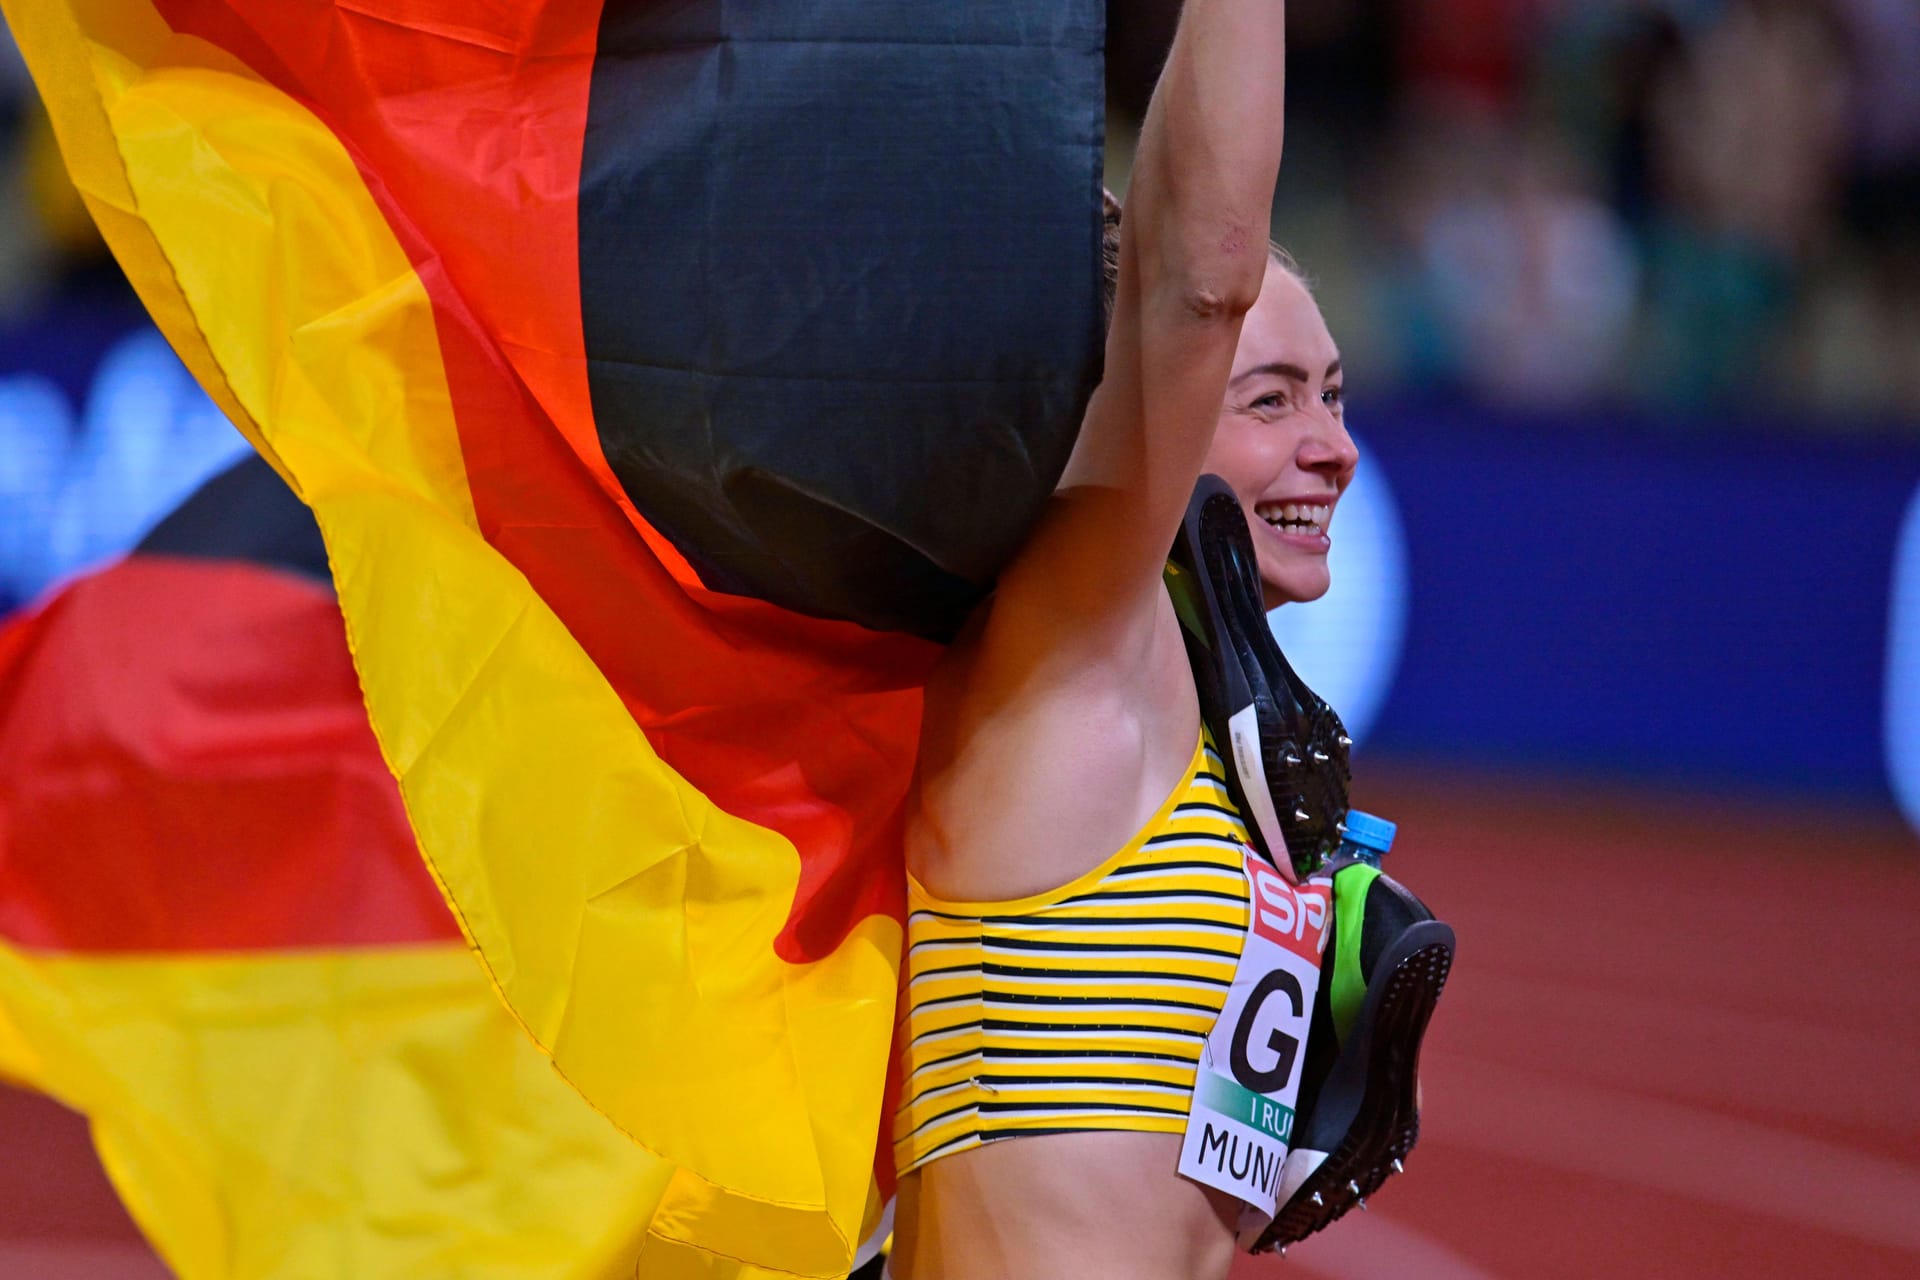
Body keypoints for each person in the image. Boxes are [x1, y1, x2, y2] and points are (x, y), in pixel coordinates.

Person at [886, 2, 1369, 1276]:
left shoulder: (1196, 710)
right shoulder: (1072, 646)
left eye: (1332, 392)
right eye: (1266, 400)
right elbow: (1203, 277)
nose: (1333, 445)